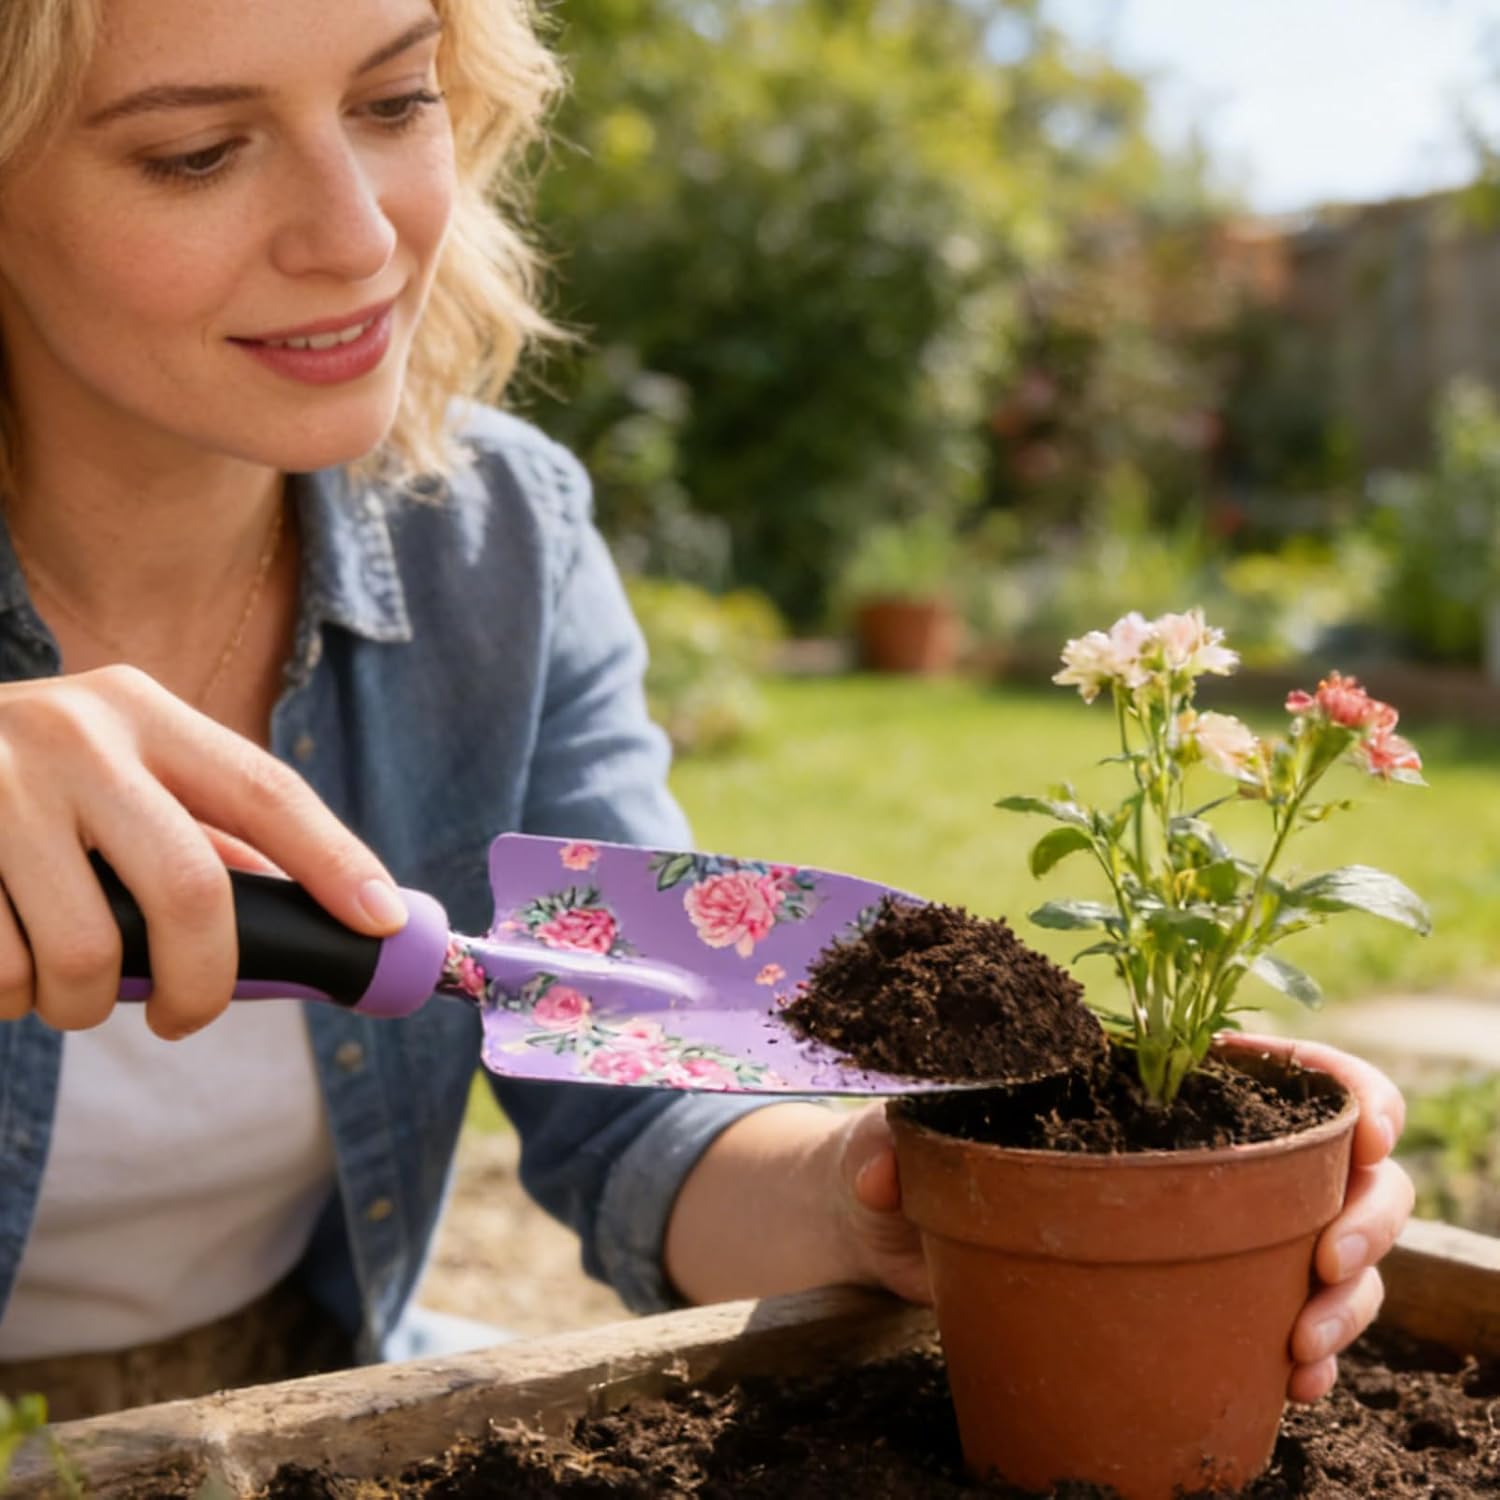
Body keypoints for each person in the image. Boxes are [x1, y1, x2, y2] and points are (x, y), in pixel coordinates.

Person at [0, 0, 1413, 1425]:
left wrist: (891, 1189)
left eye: (393, 102)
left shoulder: (492, 540)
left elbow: (637, 1112)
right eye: (195, 153)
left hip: (291, 1398)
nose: (359, 237)